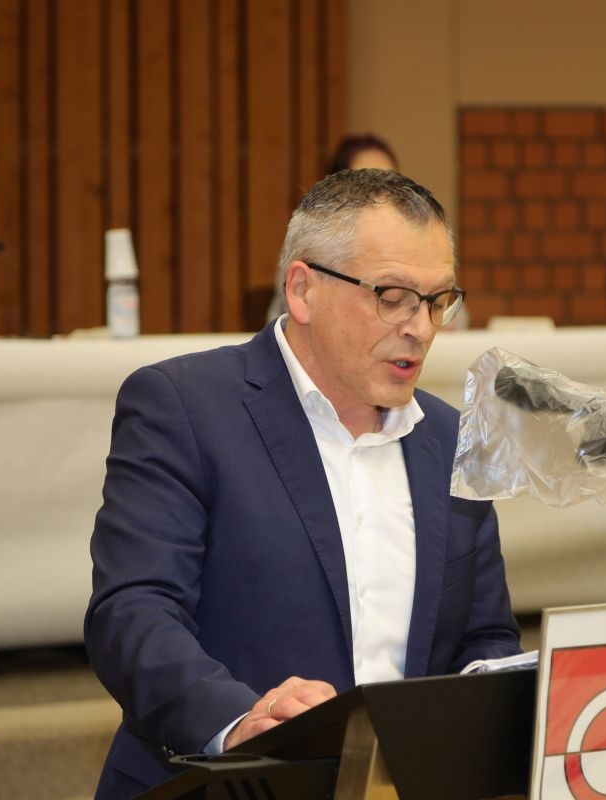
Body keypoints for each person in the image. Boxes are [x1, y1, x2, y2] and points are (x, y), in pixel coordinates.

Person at [85, 168, 522, 798]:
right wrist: (237, 721)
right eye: (392, 296)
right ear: (302, 290)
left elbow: (483, 636)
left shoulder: (452, 440)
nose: (421, 328)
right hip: (219, 786)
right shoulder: (183, 406)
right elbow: (132, 613)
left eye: (436, 301)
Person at [265, 133, 398, 322]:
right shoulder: (313, 242)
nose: (381, 196)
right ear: (338, 190)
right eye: (368, 187)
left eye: (391, 184)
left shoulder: (408, 242)